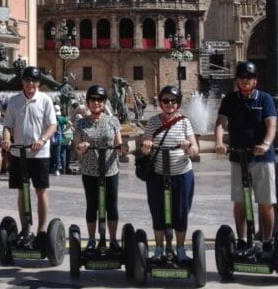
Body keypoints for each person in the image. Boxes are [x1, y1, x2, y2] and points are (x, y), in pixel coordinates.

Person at [214, 61, 277, 256]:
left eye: (248, 78)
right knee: (240, 201)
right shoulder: (230, 99)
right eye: (242, 78)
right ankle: (241, 239)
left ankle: (267, 240)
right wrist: (219, 142)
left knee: (265, 201)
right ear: (237, 80)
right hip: (237, 156)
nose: (245, 81)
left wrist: (266, 144)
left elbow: (271, 125)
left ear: (255, 80)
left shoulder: (265, 99)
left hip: (262, 157)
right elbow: (220, 123)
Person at [139, 85, 199, 263]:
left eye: (173, 101)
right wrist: (147, 146)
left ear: (178, 103)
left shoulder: (184, 121)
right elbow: (145, 144)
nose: (169, 104)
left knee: (180, 214)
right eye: (166, 100)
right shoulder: (152, 122)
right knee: (158, 212)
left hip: (181, 174)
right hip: (157, 175)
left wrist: (188, 147)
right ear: (160, 102)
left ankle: (180, 249)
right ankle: (158, 248)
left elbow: (195, 149)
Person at [1, 66, 57, 250]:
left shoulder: (45, 100)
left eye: (33, 81)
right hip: (19, 153)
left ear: (38, 83)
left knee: (41, 191)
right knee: (21, 191)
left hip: (39, 153)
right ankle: (25, 228)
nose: (30, 84)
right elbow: (7, 125)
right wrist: (7, 139)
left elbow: (52, 126)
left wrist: (41, 140)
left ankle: (41, 230)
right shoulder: (14, 101)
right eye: (27, 80)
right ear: (22, 82)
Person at [73, 85, 129, 250]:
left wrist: (122, 148)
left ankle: (112, 240)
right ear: (88, 102)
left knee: (111, 205)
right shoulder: (81, 123)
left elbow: (118, 143)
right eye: (93, 99)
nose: (96, 103)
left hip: (110, 169)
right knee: (92, 205)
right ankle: (91, 240)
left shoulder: (113, 120)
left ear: (104, 103)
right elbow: (77, 144)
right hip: (90, 170)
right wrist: (80, 146)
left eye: (99, 100)